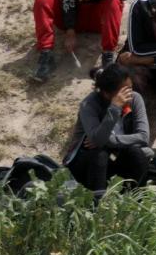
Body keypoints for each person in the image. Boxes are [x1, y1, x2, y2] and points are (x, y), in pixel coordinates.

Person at [32, 0, 132, 83]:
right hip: (76, 16)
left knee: (113, 1)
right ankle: (46, 54)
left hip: (100, 21)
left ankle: (107, 58)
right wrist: (70, 30)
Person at [64, 64, 150, 196]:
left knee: (137, 153)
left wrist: (108, 141)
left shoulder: (135, 98)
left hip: (115, 156)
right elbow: (98, 140)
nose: (129, 95)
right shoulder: (89, 105)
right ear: (106, 93)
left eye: (130, 89)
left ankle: (133, 201)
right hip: (85, 163)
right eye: (123, 91)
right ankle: (97, 203)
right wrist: (115, 108)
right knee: (99, 153)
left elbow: (143, 136)